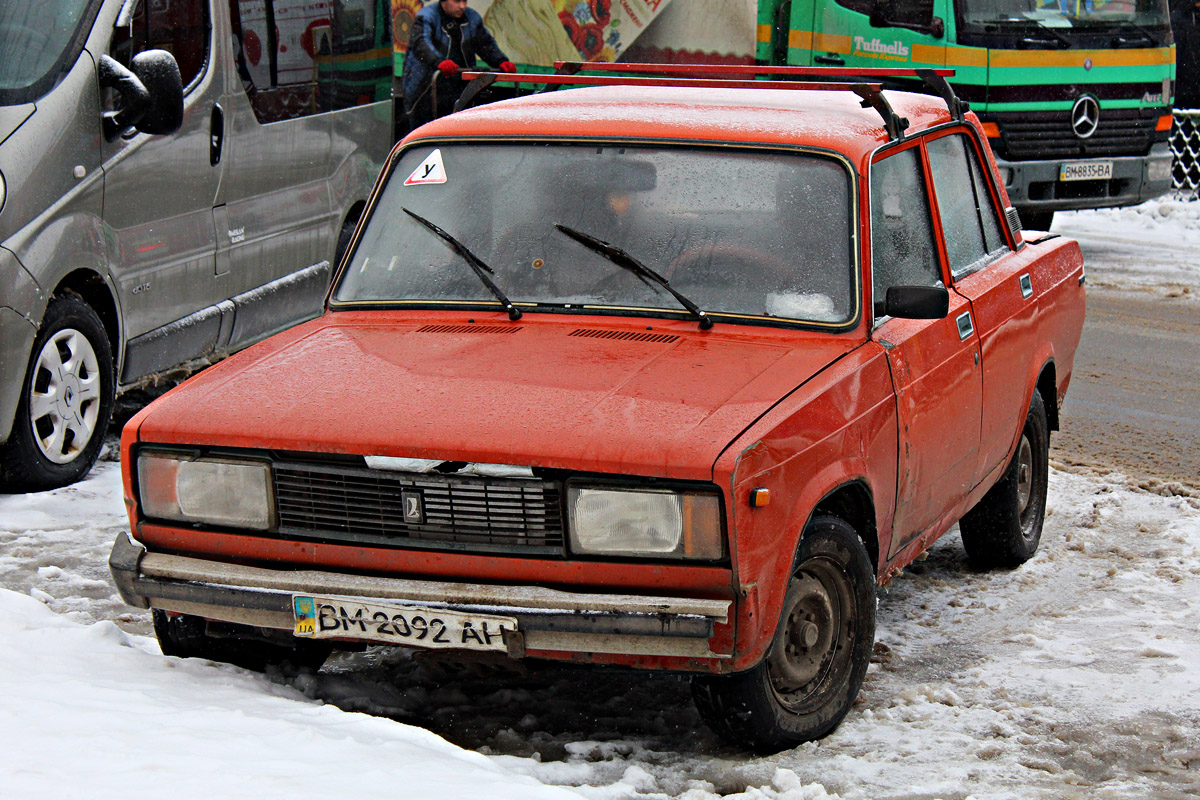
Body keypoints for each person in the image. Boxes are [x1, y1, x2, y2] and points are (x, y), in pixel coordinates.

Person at [401, 0, 516, 130]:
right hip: (425, 86)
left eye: (464, 1)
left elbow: (485, 44)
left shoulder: (472, 18)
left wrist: (501, 61)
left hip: (458, 85)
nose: (462, 6)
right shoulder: (426, 17)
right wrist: (438, 61)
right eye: (457, 1)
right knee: (424, 127)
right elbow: (421, 44)